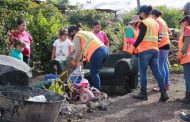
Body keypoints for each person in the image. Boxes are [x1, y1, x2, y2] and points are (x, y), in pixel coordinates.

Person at [128, 5, 169, 101]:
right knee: (157, 72)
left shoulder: (143, 23)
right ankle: (164, 93)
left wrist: (132, 48)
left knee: (143, 73)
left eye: (139, 14)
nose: (139, 15)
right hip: (155, 50)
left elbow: (140, 37)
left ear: (142, 13)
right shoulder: (155, 23)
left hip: (144, 51)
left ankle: (143, 93)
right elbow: (159, 36)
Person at [60, 25, 109, 90]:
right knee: (95, 72)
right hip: (105, 50)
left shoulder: (77, 36)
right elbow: (80, 49)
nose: (70, 36)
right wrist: (73, 54)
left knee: (94, 73)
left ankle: (97, 92)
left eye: (70, 34)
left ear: (73, 31)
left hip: (97, 52)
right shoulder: (86, 32)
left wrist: (73, 62)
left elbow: (78, 52)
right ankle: (94, 89)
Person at [151, 9, 171, 91]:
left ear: (154, 15)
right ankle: (166, 85)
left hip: (162, 46)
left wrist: (156, 45)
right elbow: (169, 32)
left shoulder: (157, 21)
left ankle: (162, 86)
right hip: (166, 44)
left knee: (160, 66)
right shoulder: (163, 21)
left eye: (151, 15)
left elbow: (160, 35)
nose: (151, 16)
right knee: (164, 65)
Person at [177, 15, 190, 104]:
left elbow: (185, 46)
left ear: (186, 22)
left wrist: (180, 56)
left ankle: (188, 98)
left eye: (181, 22)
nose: (181, 24)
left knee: (188, 77)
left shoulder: (187, 29)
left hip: (187, 58)